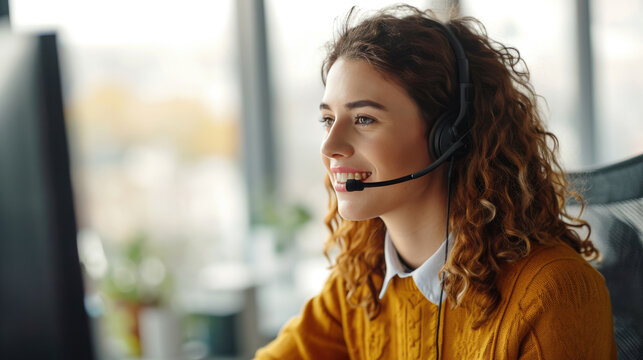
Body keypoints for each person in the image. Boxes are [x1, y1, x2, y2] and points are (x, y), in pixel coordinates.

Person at [255, 4, 617, 359]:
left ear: (448, 136)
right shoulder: (361, 281)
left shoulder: (551, 293)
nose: (330, 147)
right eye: (328, 119)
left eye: (364, 119)